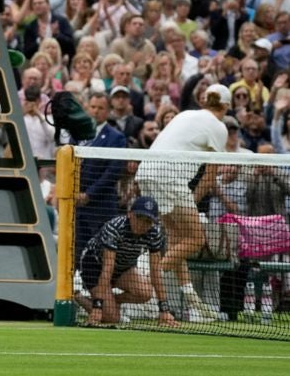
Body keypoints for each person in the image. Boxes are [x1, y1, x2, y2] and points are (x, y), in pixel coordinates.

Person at [133, 84, 230, 320]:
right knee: (196, 239)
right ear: (226, 106)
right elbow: (209, 176)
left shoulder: (186, 114)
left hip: (147, 173)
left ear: (205, 101)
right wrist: (192, 203)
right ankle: (145, 277)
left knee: (176, 241)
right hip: (169, 177)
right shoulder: (218, 127)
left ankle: (192, 300)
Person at [76, 196, 179, 327]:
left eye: (148, 221)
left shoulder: (154, 234)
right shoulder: (115, 228)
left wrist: (164, 310)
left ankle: (109, 302)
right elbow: (108, 267)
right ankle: (78, 297)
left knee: (145, 293)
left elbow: (155, 271)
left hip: (123, 267)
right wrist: (97, 308)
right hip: (95, 265)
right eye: (139, 218)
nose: (142, 224)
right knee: (111, 318)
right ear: (130, 214)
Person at [75, 92, 128, 257]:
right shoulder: (76, 133)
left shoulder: (116, 138)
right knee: (77, 253)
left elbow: (113, 172)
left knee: (101, 255)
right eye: (92, 107)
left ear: (107, 111)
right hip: (77, 206)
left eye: (100, 108)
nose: (95, 111)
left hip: (101, 208)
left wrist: (89, 194)